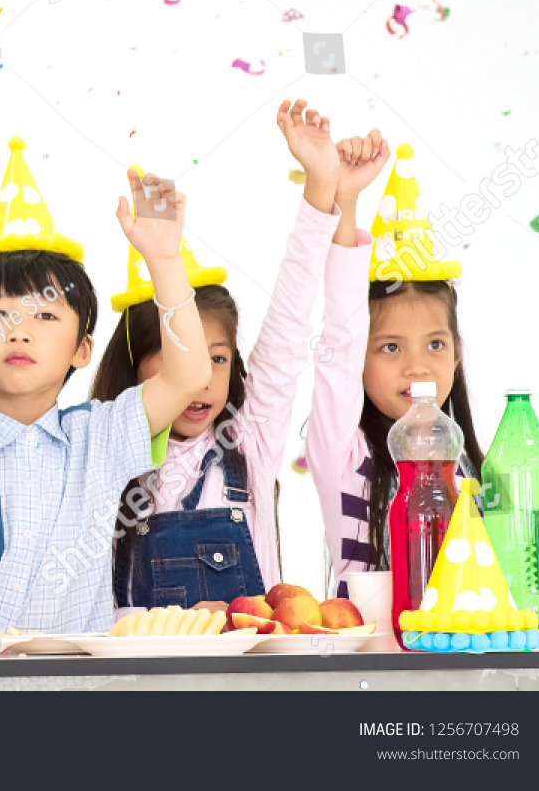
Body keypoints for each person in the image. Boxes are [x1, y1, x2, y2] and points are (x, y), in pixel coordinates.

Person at [0, 136, 211, 637]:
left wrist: (165, 262)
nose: (18, 331)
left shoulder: (102, 435)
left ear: (82, 350)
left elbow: (190, 374)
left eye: (44, 315)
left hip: (67, 678)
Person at [93, 101, 370, 609]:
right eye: (182, 361)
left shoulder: (249, 440)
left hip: (247, 682)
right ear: (134, 368)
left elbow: (290, 321)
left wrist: (320, 187)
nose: (200, 380)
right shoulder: (106, 456)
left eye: (216, 359)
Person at [305, 143, 485, 594]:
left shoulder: (472, 470)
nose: (417, 366)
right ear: (357, 360)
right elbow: (341, 332)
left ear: (458, 353)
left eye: (435, 344)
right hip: (369, 664)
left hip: (459, 663)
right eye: (389, 347)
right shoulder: (344, 453)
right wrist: (345, 204)